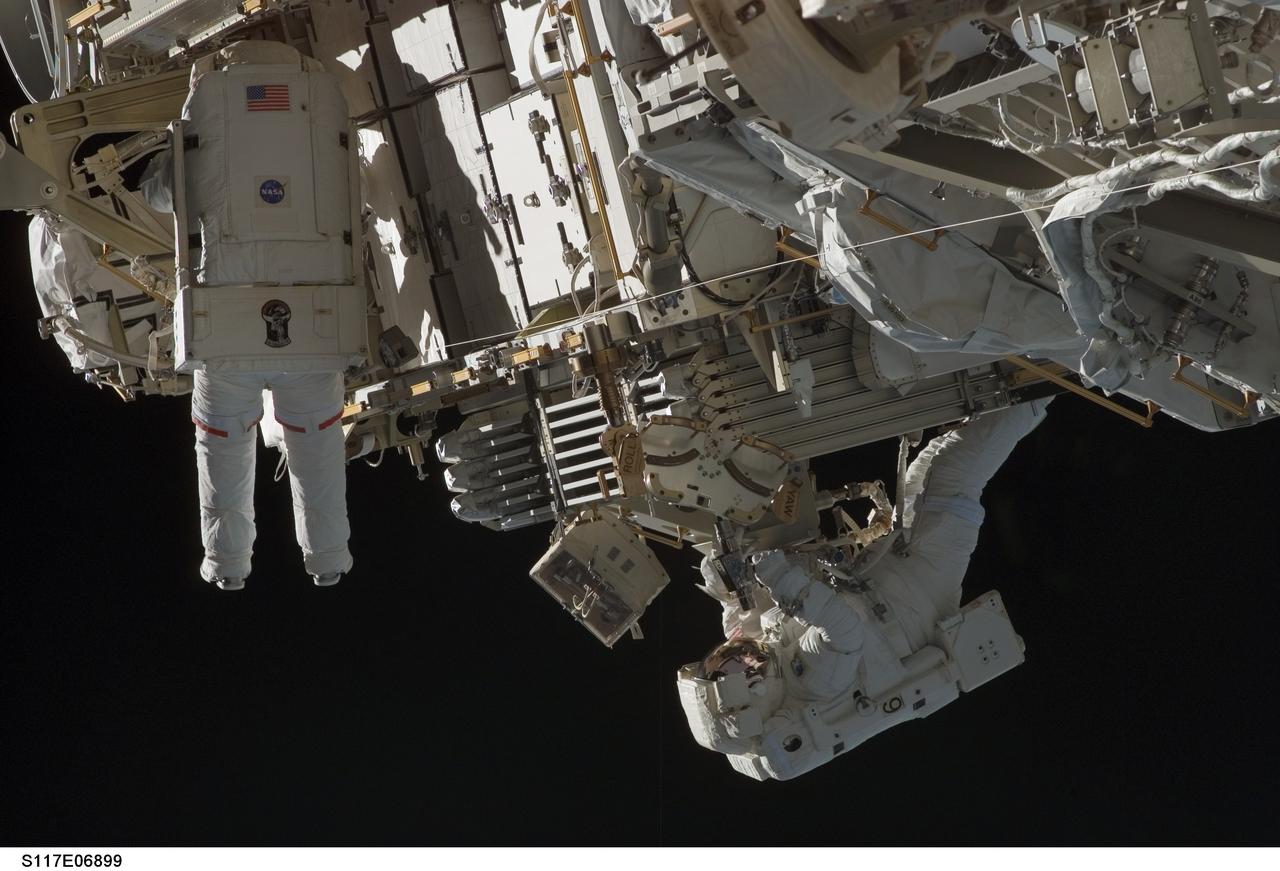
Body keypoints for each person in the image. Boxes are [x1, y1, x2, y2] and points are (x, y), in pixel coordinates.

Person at [679, 398, 1052, 779]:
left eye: (719, 662)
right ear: (753, 693)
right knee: (954, 471)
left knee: (933, 465)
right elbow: (844, 629)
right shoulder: (812, 683)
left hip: (888, 568)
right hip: (924, 577)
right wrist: (778, 576)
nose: (734, 658)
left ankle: (1027, 386)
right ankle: (1044, 383)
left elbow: (742, 609)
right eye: (728, 671)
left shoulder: (761, 652)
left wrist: (723, 577)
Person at [193, 371, 352, 590]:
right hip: (308, 355)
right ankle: (328, 559)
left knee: (224, 456)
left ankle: (226, 565)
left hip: (224, 359)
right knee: (316, 456)